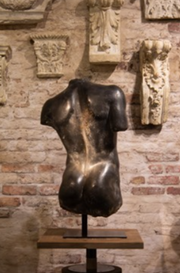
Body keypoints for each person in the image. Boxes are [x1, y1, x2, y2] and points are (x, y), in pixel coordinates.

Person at [41, 79, 128, 218]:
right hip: (103, 173)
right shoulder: (113, 93)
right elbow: (120, 125)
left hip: (72, 177)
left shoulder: (51, 105)